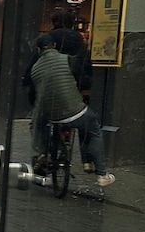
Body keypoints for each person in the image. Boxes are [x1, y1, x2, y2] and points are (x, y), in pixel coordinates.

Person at [28, 35, 114, 187]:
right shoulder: (68, 60)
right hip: (75, 111)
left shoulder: (35, 69)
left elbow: (35, 95)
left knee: (41, 125)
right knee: (92, 130)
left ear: (38, 50)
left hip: (53, 116)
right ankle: (101, 174)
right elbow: (84, 81)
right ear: (54, 45)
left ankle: (44, 153)